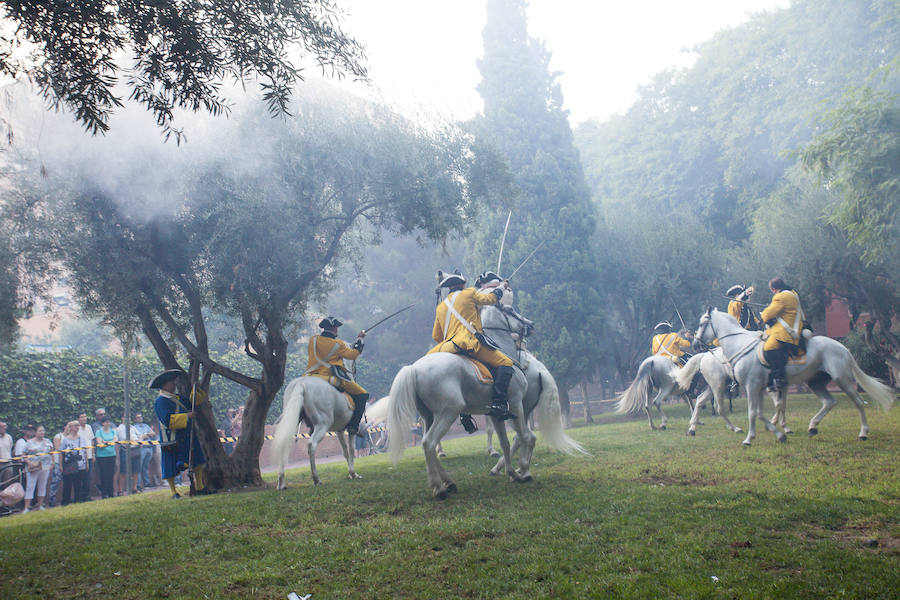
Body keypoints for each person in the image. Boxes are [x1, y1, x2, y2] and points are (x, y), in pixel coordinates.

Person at [428, 272, 516, 420]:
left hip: (447, 347)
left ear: (449, 288)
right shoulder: (469, 293)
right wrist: (501, 287)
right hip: (469, 343)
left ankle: (464, 415)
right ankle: (499, 403)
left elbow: (436, 336)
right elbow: (491, 299)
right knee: (506, 362)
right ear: (463, 285)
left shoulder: (441, 307)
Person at [151, 369, 211, 498]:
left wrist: (196, 389)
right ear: (165, 385)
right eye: (171, 382)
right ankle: (174, 492)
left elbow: (193, 402)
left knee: (198, 461)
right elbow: (167, 420)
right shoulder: (160, 401)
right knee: (170, 467)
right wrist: (187, 416)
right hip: (172, 438)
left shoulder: (178, 398)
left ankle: (199, 487)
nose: (174, 384)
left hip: (187, 434)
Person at [304, 317, 369, 436]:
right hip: (328, 377)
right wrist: (360, 340)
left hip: (309, 376)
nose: (337, 330)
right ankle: (353, 427)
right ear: (334, 328)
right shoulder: (338, 344)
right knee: (363, 395)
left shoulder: (313, 340)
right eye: (337, 328)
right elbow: (352, 355)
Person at [760, 277, 805, 392]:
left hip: (786, 331)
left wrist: (765, 311)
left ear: (774, 289)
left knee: (768, 347)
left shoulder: (780, 297)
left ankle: (780, 377)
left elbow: (766, 315)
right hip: (795, 326)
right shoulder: (792, 293)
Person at [22, 425, 53, 512]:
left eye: (43, 431)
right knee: (30, 486)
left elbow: (52, 453)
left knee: (42, 486)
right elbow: (23, 455)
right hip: (33, 467)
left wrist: (52, 463)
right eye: (40, 431)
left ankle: (40, 505)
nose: (42, 433)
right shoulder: (29, 443)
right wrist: (29, 463)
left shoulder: (48, 441)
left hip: (44, 467)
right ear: (35, 432)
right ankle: (26, 507)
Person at [58, 420, 88, 505]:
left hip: (80, 465)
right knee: (67, 485)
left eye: (78, 426)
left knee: (78, 485)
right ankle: (65, 502)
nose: (77, 427)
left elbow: (84, 451)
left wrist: (86, 463)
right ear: (70, 427)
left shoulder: (81, 438)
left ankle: (78, 501)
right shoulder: (65, 440)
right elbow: (61, 453)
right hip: (69, 465)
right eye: (75, 426)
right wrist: (60, 465)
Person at [94, 415, 118, 499]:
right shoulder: (98, 432)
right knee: (103, 474)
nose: (108, 423)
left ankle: (111, 492)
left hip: (112, 455)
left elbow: (115, 440)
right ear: (103, 423)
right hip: (101, 456)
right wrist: (108, 443)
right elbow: (100, 444)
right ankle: (104, 493)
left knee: (111, 473)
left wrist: (106, 442)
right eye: (106, 422)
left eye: (109, 422)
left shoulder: (113, 431)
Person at [116, 417, 142, 495]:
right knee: (123, 471)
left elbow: (139, 435)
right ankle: (120, 490)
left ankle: (134, 488)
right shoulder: (120, 428)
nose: (128, 419)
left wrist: (140, 440)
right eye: (126, 417)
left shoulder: (132, 427)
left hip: (135, 450)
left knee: (136, 470)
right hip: (125, 450)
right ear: (122, 418)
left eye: (130, 417)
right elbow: (123, 438)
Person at [132, 412, 154, 491]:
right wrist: (147, 435)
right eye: (138, 417)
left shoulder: (146, 426)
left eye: (140, 417)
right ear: (135, 419)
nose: (140, 418)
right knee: (139, 466)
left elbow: (153, 433)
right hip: (141, 448)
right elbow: (140, 437)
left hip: (149, 447)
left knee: (145, 466)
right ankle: (138, 484)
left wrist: (146, 435)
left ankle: (147, 483)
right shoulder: (134, 427)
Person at [75, 412, 94, 501]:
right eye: (81, 417)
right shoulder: (76, 429)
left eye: (85, 417)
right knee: (80, 477)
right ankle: (79, 496)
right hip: (80, 457)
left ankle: (87, 495)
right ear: (78, 419)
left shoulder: (89, 427)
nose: (84, 418)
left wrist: (93, 454)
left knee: (88, 477)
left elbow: (92, 441)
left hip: (89, 456)